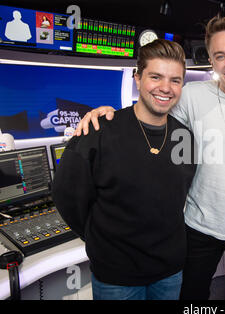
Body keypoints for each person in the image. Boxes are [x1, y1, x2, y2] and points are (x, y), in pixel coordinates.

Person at [74, 15, 225, 300]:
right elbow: (151, 106)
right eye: (220, 56)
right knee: (192, 296)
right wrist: (105, 115)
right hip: (198, 226)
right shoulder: (190, 95)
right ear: (211, 60)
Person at [52, 39, 197, 300]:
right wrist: (101, 238)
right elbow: (67, 197)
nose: (166, 88)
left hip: (169, 272)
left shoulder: (184, 138)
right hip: (116, 276)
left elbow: (178, 194)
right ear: (138, 78)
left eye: (175, 80)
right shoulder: (97, 132)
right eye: (156, 77)